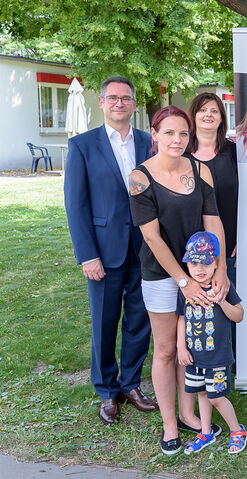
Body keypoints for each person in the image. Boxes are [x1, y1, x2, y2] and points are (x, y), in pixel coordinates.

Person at [129, 106, 230, 455]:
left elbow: (213, 221)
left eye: (183, 134)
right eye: (169, 132)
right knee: (167, 349)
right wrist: (183, 281)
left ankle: (189, 415)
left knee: (195, 348)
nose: (177, 139)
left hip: (200, 271)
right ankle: (169, 423)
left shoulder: (201, 170)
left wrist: (220, 269)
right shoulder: (140, 177)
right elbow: (152, 237)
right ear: (154, 134)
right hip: (162, 275)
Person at [64, 75, 158, 425]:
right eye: (113, 98)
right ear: (101, 102)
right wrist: (87, 255)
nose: (119, 103)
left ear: (134, 104)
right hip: (103, 252)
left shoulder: (150, 142)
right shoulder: (82, 146)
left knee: (139, 320)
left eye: (126, 98)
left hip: (146, 249)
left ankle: (130, 384)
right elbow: (76, 205)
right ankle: (106, 390)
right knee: (105, 321)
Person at [176, 231, 247, 455]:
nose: (200, 269)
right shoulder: (186, 290)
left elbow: (239, 315)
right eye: (194, 263)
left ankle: (237, 430)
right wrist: (180, 346)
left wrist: (222, 302)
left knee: (216, 397)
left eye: (206, 263)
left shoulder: (223, 287)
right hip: (194, 356)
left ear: (216, 264)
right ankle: (206, 432)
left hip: (217, 356)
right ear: (187, 265)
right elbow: (181, 318)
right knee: (201, 394)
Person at [185, 93, 238, 285]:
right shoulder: (181, 156)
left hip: (231, 248)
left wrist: (244, 239)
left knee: (229, 309)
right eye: (203, 110)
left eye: (214, 111)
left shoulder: (235, 153)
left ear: (222, 117)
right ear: (193, 116)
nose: (209, 115)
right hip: (191, 251)